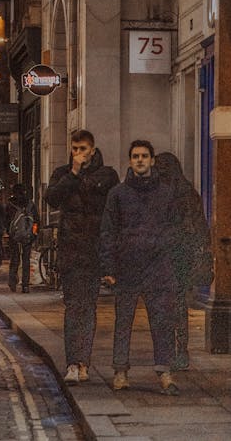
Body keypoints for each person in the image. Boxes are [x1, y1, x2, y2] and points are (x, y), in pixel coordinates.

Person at [100, 139, 182, 395]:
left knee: (162, 322)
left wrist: (166, 251)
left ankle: (165, 373)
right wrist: (109, 267)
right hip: (127, 267)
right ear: (130, 161)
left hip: (159, 267)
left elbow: (177, 228)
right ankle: (121, 371)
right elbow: (108, 231)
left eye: (144, 156)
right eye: (135, 156)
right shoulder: (118, 194)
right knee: (123, 322)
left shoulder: (167, 193)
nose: (140, 160)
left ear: (152, 160)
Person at [45, 128, 118, 385]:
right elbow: (51, 199)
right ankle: (72, 364)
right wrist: (74, 174)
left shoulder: (107, 175)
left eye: (82, 149)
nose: (78, 154)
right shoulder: (62, 174)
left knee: (87, 308)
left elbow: (114, 214)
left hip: (93, 253)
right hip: (70, 252)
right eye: (74, 149)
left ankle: (83, 362)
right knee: (73, 307)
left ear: (93, 149)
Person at [154, 152, 212, 369]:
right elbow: (200, 227)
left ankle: (171, 350)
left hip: (168, 256)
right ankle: (180, 350)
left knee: (167, 306)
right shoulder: (187, 192)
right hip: (181, 256)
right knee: (178, 305)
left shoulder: (162, 193)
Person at [5, 182, 38, 293]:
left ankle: (13, 283)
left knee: (14, 259)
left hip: (14, 237)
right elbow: (36, 220)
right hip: (28, 236)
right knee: (26, 260)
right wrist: (34, 233)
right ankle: (25, 285)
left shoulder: (10, 205)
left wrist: (9, 233)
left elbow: (6, 221)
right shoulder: (30, 204)